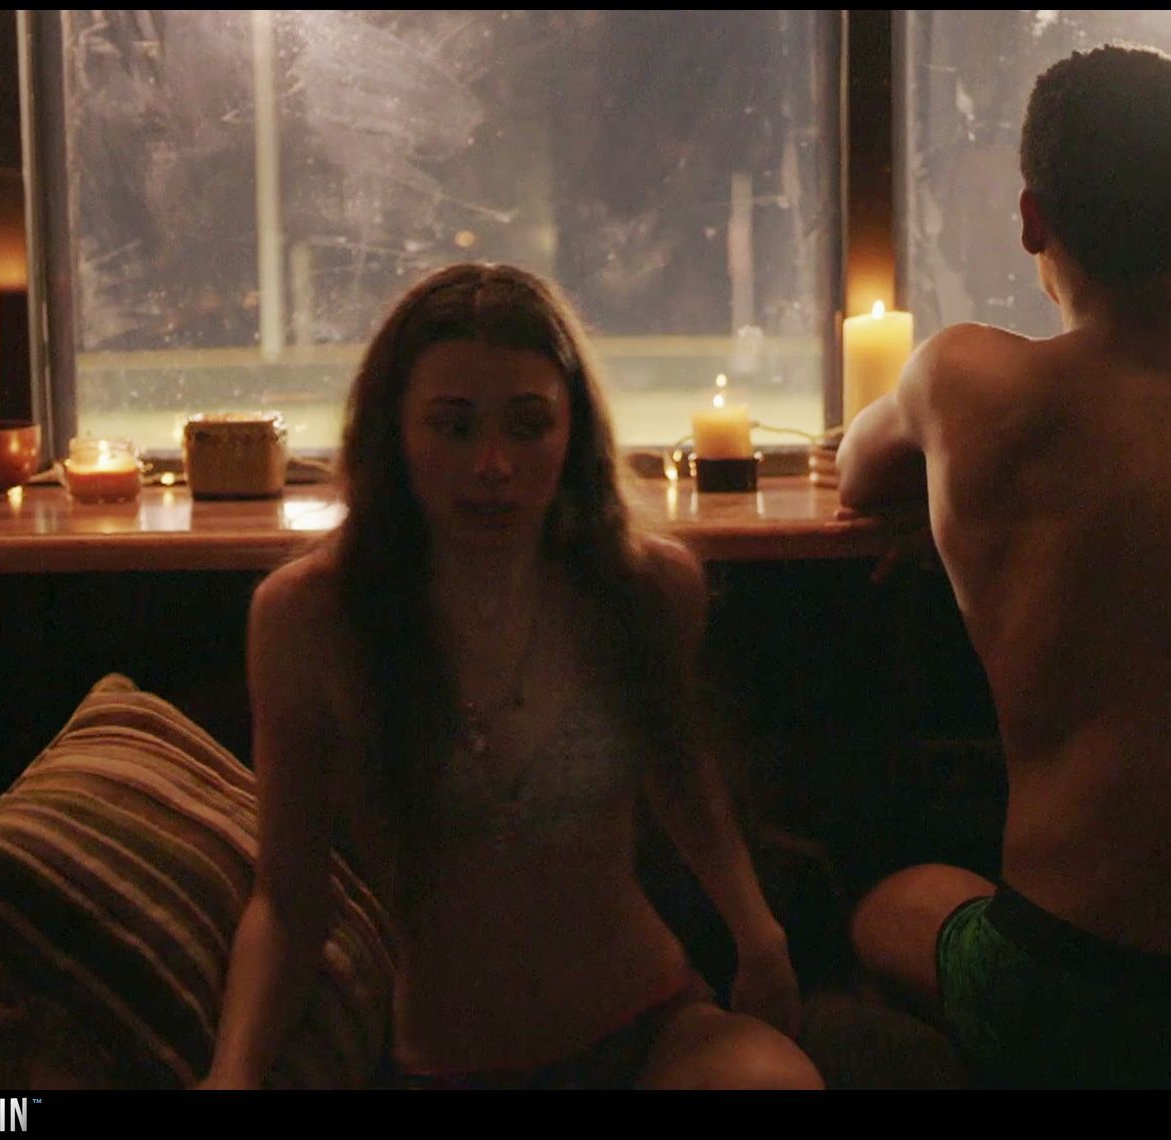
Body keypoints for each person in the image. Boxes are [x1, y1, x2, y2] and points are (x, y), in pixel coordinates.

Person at [837, 43, 1171, 1088]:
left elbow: (858, 471)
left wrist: (949, 490)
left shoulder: (967, 380)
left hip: (1066, 995)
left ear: (1031, 218)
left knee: (887, 906)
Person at [200, 263, 821, 1090]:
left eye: (528, 426)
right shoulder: (310, 619)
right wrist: (232, 1076)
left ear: (573, 433)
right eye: (454, 427)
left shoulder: (644, 588)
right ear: (395, 431)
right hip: (447, 1064)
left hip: (649, 1028)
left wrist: (759, 938)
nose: (493, 465)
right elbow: (288, 904)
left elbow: (679, 769)